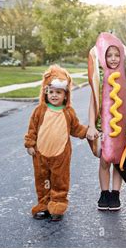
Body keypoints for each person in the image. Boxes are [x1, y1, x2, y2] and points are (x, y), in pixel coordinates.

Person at [24, 65, 88, 222]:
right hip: (40, 154)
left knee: (59, 180)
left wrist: (87, 132)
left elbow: (76, 129)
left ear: (65, 95)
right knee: (42, 179)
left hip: (61, 155)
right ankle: (43, 204)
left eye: (58, 92)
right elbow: (32, 128)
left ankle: (58, 204)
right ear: (45, 92)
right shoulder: (39, 111)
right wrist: (30, 144)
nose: (54, 95)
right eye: (51, 92)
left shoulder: (68, 112)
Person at [87, 32, 126, 211]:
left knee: (119, 161)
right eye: (109, 55)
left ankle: (115, 194)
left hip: (123, 129)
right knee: (104, 161)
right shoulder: (100, 80)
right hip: (103, 127)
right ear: (103, 57)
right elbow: (93, 103)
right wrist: (92, 125)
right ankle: (104, 192)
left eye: (117, 55)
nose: (114, 58)